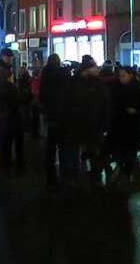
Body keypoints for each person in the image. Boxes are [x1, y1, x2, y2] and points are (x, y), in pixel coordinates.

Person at [58, 59, 110, 185]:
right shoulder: (78, 83)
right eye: (94, 67)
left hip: (91, 124)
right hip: (81, 123)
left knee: (91, 150)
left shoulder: (94, 83)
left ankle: (90, 175)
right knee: (79, 150)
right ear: (87, 69)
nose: (97, 69)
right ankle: (78, 176)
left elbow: (106, 104)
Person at [0, 48, 24, 174]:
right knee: (3, 139)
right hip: (5, 110)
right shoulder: (0, 72)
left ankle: (5, 164)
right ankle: (2, 165)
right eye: (8, 57)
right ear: (3, 57)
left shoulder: (9, 71)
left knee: (6, 139)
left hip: (9, 109)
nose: (10, 59)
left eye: (11, 57)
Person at [108, 66, 140, 183]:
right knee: (125, 150)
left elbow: (137, 107)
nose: (121, 78)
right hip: (124, 125)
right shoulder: (120, 87)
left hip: (131, 126)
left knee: (128, 150)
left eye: (123, 76)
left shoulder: (135, 88)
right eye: (120, 76)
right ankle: (125, 172)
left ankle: (126, 173)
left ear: (131, 75)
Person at [39, 54, 69, 186]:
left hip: (50, 112)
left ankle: (49, 168)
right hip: (61, 113)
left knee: (51, 143)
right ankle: (64, 169)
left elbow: (42, 94)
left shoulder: (45, 75)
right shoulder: (61, 74)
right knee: (62, 143)